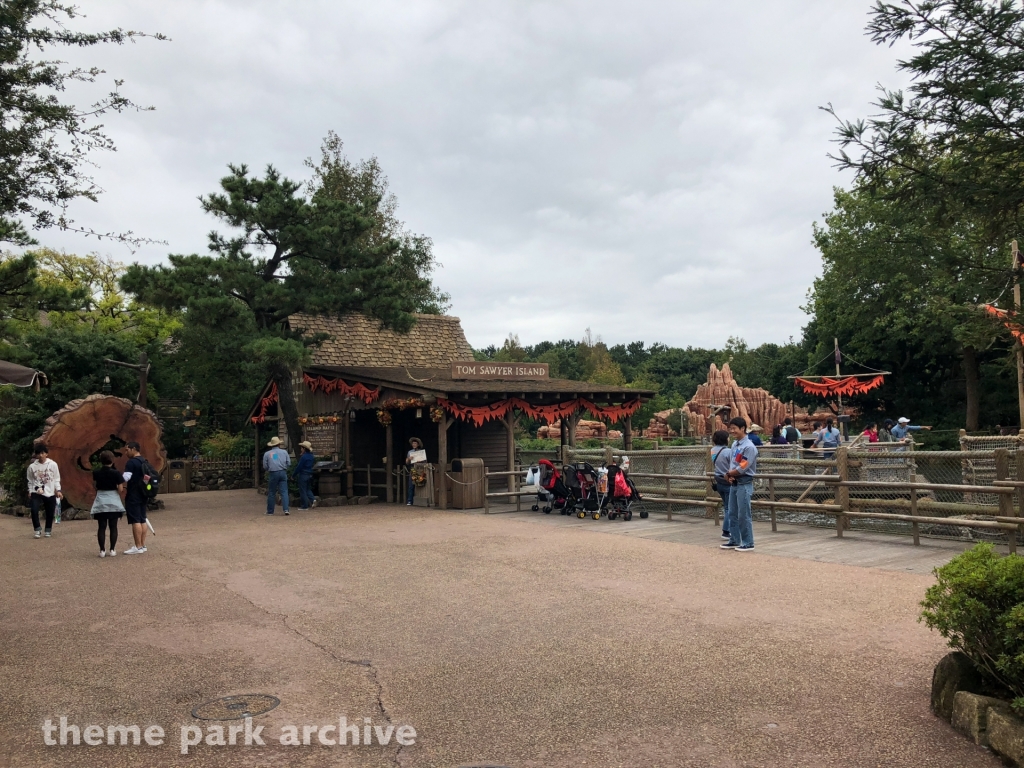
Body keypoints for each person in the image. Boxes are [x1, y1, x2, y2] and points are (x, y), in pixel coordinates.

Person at [722, 417, 757, 552]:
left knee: (744, 514)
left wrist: (730, 474)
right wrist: (729, 474)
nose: (732, 431)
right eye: (730, 429)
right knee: (732, 513)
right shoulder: (735, 445)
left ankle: (748, 542)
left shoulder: (749, 447)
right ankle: (735, 539)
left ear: (742, 428)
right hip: (734, 483)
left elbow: (743, 467)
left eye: (734, 428)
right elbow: (733, 463)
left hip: (744, 482)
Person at [91, 450, 125, 557]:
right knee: (113, 526)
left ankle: (102, 550)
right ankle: (112, 549)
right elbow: (120, 489)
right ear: (112, 460)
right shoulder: (116, 473)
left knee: (101, 526)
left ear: (101, 460)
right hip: (113, 499)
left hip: (101, 499)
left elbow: (95, 485)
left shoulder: (96, 473)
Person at [27, 443, 62, 539]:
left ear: (46, 453)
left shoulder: (53, 464)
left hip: (50, 491)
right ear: (36, 455)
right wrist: (30, 490)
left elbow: (56, 478)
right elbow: (30, 480)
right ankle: (37, 529)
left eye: (43, 453)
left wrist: (58, 490)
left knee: (50, 511)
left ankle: (48, 529)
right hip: (36, 491)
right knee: (34, 509)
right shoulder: (32, 467)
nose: (41, 455)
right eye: (39, 454)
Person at [122, 442, 151, 554]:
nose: (126, 452)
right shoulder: (144, 461)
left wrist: (117, 479)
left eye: (127, 450)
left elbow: (126, 477)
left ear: (133, 449)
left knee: (135, 520)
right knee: (143, 518)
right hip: (143, 493)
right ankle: (143, 545)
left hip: (133, 493)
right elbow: (147, 477)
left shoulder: (131, 463)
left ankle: (137, 546)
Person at [711, 430, 732, 541]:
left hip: (719, 481)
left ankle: (728, 529)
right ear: (725, 439)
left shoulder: (713, 450)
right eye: (728, 437)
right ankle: (726, 531)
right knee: (730, 508)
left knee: (726, 506)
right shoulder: (728, 451)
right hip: (728, 480)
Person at [263, 436, 291, 516]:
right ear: (279, 444)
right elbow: (288, 463)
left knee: (272, 492)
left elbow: (265, 466)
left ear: (271, 445)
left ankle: (270, 511)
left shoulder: (267, 454)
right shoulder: (284, 452)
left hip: (273, 473)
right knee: (284, 491)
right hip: (283, 472)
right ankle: (286, 509)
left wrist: (269, 468)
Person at [292, 441, 316, 510]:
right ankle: (313, 500)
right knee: (308, 489)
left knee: (302, 490)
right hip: (310, 474)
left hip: (303, 474)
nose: (301, 449)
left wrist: (293, 475)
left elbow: (299, 467)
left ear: (304, 449)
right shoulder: (311, 456)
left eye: (301, 448)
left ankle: (304, 506)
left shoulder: (303, 457)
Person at [406, 438, 424, 505]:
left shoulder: (421, 452)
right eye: (413, 443)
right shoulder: (410, 452)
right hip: (413, 468)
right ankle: (410, 500)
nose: (414, 444)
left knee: (421, 483)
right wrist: (409, 459)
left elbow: (425, 461)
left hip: (420, 469)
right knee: (411, 484)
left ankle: (419, 500)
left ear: (418, 444)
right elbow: (407, 462)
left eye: (415, 443)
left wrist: (421, 461)